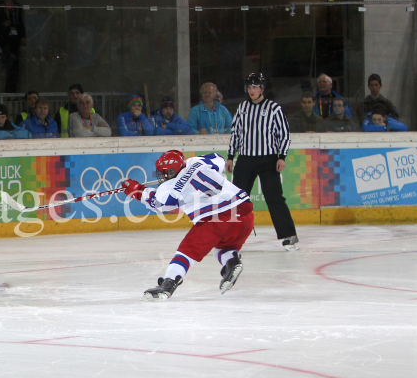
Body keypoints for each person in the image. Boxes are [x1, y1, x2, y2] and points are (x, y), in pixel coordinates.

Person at [121, 151, 253, 300]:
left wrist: (137, 191)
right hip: (245, 214)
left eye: (165, 173)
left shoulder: (171, 187)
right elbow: (219, 158)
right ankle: (232, 262)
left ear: (171, 171)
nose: (162, 176)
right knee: (224, 247)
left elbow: (160, 204)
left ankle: (168, 284)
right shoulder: (197, 161)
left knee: (186, 251)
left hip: (217, 220)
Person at [226, 73, 298, 250]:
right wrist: (230, 156)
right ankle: (230, 236)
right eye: (249, 87)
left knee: (274, 198)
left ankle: (289, 235)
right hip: (245, 159)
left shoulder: (273, 108)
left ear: (262, 88)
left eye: (255, 87)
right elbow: (236, 134)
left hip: (268, 159)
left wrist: (282, 156)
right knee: (236, 199)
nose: (252, 90)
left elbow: (284, 134)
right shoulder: (242, 108)